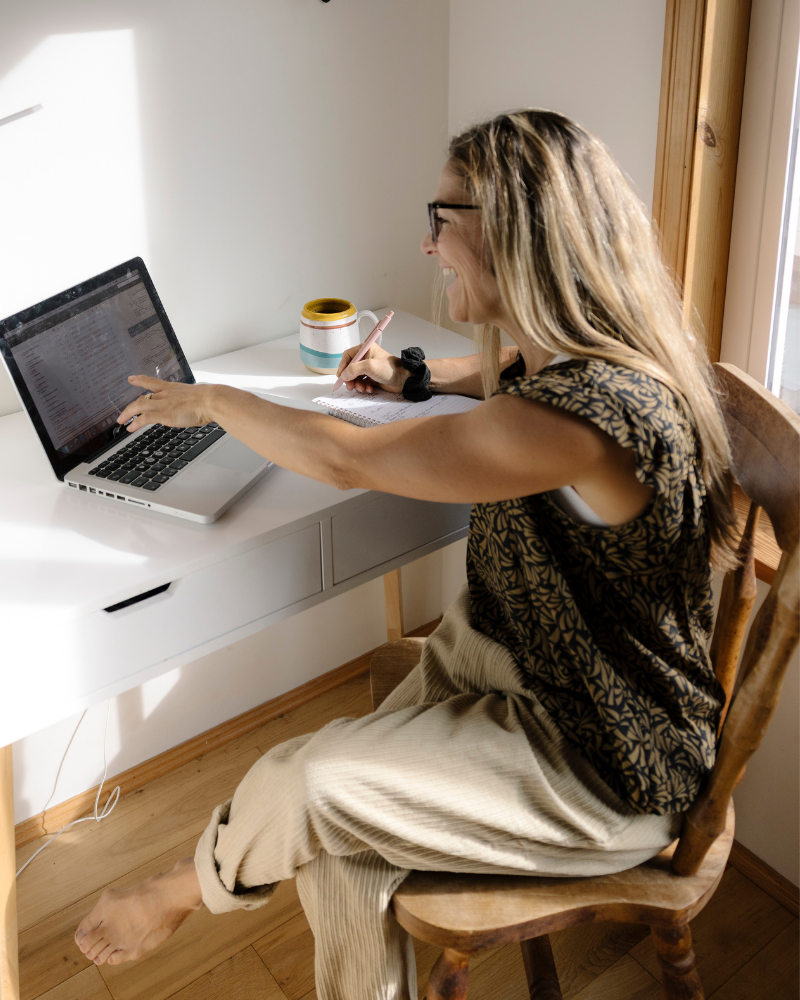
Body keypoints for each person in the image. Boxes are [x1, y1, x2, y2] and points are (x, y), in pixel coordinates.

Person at [74, 110, 738, 999]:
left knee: (307, 782)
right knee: (334, 829)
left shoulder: (590, 415)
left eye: (441, 218)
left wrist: (217, 402)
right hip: (532, 669)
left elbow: (351, 461)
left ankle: (176, 893)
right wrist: (413, 375)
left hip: (609, 764)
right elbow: (498, 382)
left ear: (515, 233)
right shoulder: (567, 363)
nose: (427, 246)